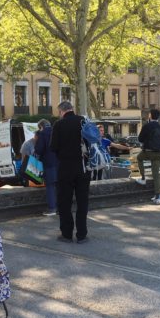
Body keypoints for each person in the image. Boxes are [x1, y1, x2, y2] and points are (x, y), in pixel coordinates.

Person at [50, 101, 90, 244]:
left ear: (61, 111)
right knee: (82, 201)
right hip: (83, 167)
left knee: (64, 202)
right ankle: (82, 234)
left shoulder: (59, 125)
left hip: (65, 168)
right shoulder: (83, 121)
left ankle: (67, 234)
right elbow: (91, 142)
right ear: (72, 109)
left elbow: (53, 147)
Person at [134, 109, 160, 204]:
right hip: (158, 153)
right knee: (156, 175)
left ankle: (143, 178)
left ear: (150, 115)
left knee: (139, 158)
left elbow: (140, 139)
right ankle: (158, 197)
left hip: (148, 151)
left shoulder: (147, 126)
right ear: (158, 117)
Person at [34, 119, 58, 216]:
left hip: (49, 163)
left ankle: (52, 209)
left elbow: (39, 150)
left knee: (50, 186)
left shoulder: (42, 133)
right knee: (59, 186)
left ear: (41, 127)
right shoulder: (56, 131)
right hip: (59, 163)